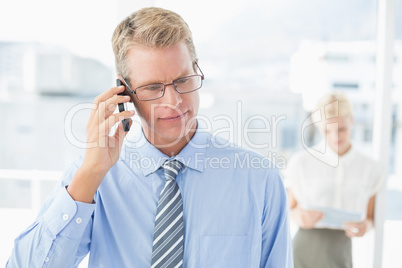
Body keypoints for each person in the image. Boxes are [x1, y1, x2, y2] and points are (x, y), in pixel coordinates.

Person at [7, 7, 293, 267]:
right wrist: (91, 174)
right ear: (124, 91)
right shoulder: (94, 178)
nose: (174, 100)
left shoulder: (259, 180)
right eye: (154, 87)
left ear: (197, 69)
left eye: (183, 80)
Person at [284, 92, 383, 268]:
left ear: (351, 120)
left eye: (341, 129)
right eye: (327, 130)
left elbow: (370, 217)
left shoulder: (370, 169)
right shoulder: (301, 163)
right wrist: (300, 217)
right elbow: (290, 211)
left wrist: (365, 227)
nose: (335, 137)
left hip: (342, 251)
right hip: (303, 250)